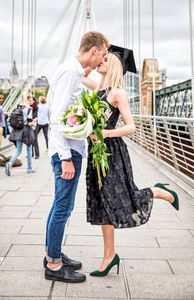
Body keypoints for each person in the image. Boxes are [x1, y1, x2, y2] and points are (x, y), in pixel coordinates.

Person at [84, 45, 179, 277]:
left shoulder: (118, 93)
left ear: (115, 65)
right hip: (96, 153)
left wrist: (106, 133)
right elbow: (81, 74)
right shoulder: (98, 88)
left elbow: (130, 126)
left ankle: (158, 192)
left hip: (112, 152)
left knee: (122, 198)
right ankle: (109, 256)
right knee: (102, 204)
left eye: (105, 59)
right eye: (101, 58)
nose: (101, 61)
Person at [44, 31, 109, 284]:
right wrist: (65, 158)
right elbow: (57, 119)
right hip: (67, 152)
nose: (101, 59)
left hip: (70, 149)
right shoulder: (70, 73)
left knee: (59, 207)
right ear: (94, 51)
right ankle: (54, 265)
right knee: (62, 208)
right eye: (102, 54)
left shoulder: (72, 72)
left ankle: (53, 252)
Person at [5, 93, 35, 176]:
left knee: (18, 150)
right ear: (28, 99)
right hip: (26, 131)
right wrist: (34, 122)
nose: (32, 101)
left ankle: (9, 164)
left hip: (17, 130)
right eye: (31, 99)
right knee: (29, 149)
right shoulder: (29, 109)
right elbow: (29, 122)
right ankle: (29, 168)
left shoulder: (18, 107)